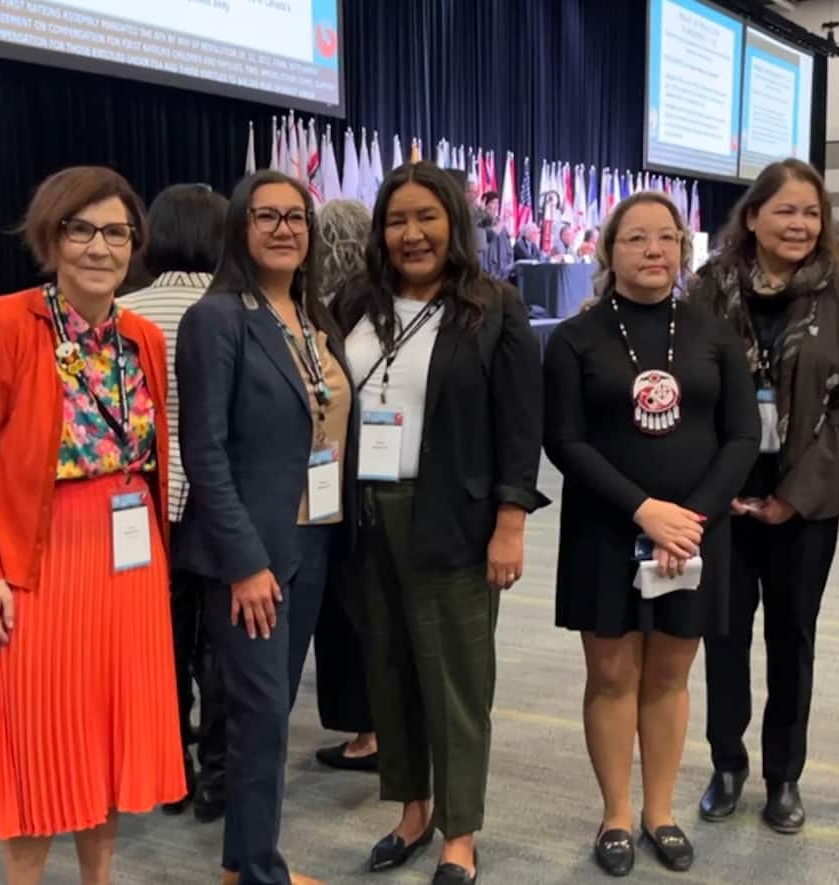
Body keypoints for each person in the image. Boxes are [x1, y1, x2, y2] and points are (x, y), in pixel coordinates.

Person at [0, 165, 186, 884]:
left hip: (130, 559)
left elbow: (150, 456)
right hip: (43, 558)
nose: (98, 247)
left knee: (108, 741)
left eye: (116, 231)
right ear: (52, 235)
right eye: (81, 229)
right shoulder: (7, 322)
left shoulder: (141, 335)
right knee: (40, 742)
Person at [332, 161, 546, 884]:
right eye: (396, 219)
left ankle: (461, 833)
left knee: (456, 680)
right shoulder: (356, 300)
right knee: (388, 671)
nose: (411, 233)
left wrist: (509, 522)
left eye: (427, 217)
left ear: (455, 222)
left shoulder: (494, 306)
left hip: (452, 515)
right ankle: (412, 809)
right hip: (364, 514)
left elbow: (522, 428)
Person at [544, 191, 759, 875]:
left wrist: (688, 519)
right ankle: (614, 812)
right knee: (610, 675)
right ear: (609, 250)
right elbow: (564, 440)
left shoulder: (714, 332)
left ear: (682, 249)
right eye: (635, 238)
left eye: (666, 237)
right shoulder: (576, 338)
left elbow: (742, 436)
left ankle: (658, 811)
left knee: (669, 673)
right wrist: (644, 510)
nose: (653, 250)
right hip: (606, 529)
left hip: (695, 534)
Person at [176, 170, 357, 885]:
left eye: (296, 217)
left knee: (269, 713)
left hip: (311, 540)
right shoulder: (217, 317)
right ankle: (256, 871)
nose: (285, 229)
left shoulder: (314, 320)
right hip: (249, 553)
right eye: (267, 216)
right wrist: (245, 561)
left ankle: (242, 864)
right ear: (239, 229)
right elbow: (205, 450)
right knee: (259, 715)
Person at [690, 159, 839, 834]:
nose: (800, 224)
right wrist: (719, 490)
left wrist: (793, 496)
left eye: (811, 213)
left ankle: (783, 775)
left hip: (806, 504)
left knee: (792, 638)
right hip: (724, 501)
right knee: (724, 636)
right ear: (752, 217)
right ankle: (727, 762)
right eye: (786, 210)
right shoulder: (709, 290)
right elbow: (689, 398)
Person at [118, 182, 230, 822]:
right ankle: (217, 777)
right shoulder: (234, 310)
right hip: (217, 502)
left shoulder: (125, 314)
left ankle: (172, 773)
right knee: (219, 646)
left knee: (162, 645)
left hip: (143, 505)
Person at [312, 197, 379, 773]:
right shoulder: (377, 298)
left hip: (341, 476)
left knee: (350, 610)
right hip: (373, 475)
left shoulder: (330, 307)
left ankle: (368, 734)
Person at [479, 192, 513, 281]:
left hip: (501, 268)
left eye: (497, 203)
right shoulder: (481, 219)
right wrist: (502, 222)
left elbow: (507, 240)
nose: (495, 206)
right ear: (485, 203)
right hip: (487, 266)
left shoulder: (498, 220)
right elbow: (490, 234)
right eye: (493, 202)